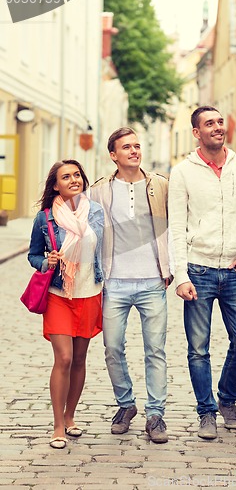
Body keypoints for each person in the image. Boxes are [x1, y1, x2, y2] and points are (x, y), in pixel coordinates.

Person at [168, 106, 236, 439]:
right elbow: (176, 226)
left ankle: (227, 398)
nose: (218, 127)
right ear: (196, 132)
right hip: (198, 269)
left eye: (220, 122)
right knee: (198, 348)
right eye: (210, 123)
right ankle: (206, 412)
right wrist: (181, 275)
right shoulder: (183, 172)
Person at [91, 127, 172, 444]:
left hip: (153, 280)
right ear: (113, 155)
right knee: (112, 348)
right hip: (115, 283)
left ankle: (156, 415)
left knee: (155, 351)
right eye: (127, 147)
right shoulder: (99, 190)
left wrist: (171, 269)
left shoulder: (160, 186)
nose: (134, 151)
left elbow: (175, 227)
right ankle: (126, 404)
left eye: (137, 145)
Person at [28, 160, 104, 449]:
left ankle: (70, 417)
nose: (73, 180)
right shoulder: (45, 217)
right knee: (64, 358)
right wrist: (46, 261)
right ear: (56, 185)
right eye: (66, 177)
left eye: (77, 175)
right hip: (59, 295)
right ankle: (58, 425)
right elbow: (33, 255)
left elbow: (104, 251)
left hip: (89, 293)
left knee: (81, 359)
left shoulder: (96, 212)